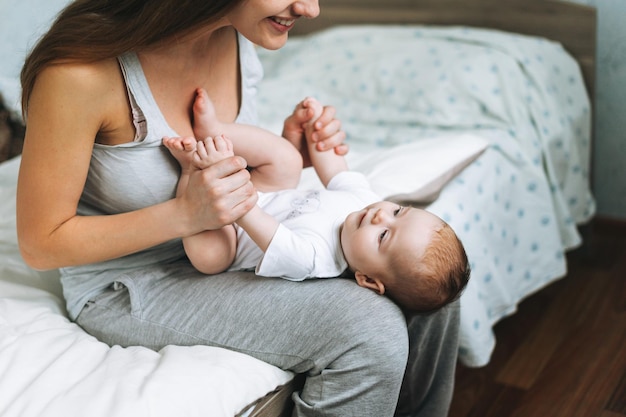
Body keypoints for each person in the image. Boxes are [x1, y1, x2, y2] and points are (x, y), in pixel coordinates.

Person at [16, 1, 462, 416]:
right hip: (134, 280)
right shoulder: (79, 74)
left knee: (432, 290)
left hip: (232, 243)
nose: (311, 8)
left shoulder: (234, 32)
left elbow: (228, 166)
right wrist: (185, 215)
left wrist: (287, 154)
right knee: (370, 329)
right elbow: (41, 245)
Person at [164, 90, 470, 313]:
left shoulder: (313, 259)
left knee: (210, 257)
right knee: (288, 159)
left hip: (232, 229)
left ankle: (192, 169)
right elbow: (335, 169)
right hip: (263, 193)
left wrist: (223, 174)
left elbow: (248, 214)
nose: (381, 217)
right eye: (398, 211)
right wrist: (318, 132)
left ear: (366, 279)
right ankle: (215, 132)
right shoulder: (366, 202)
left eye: (384, 236)